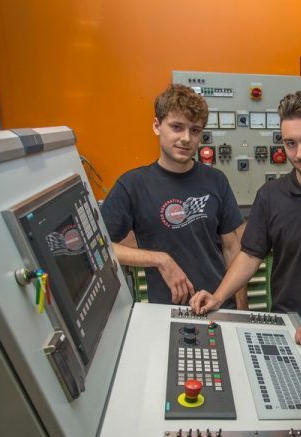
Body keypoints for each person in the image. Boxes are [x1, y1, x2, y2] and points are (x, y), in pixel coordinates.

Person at [190, 91, 301, 342]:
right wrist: (218, 296)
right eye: (290, 143)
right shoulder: (269, 196)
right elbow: (250, 256)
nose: (299, 154)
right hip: (285, 322)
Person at [101, 84, 246, 307]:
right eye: (177, 127)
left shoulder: (216, 180)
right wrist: (160, 259)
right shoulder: (133, 185)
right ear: (157, 126)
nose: (186, 138)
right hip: (167, 311)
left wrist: (241, 310)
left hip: (218, 305)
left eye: (195, 130)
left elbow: (232, 249)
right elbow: (98, 246)